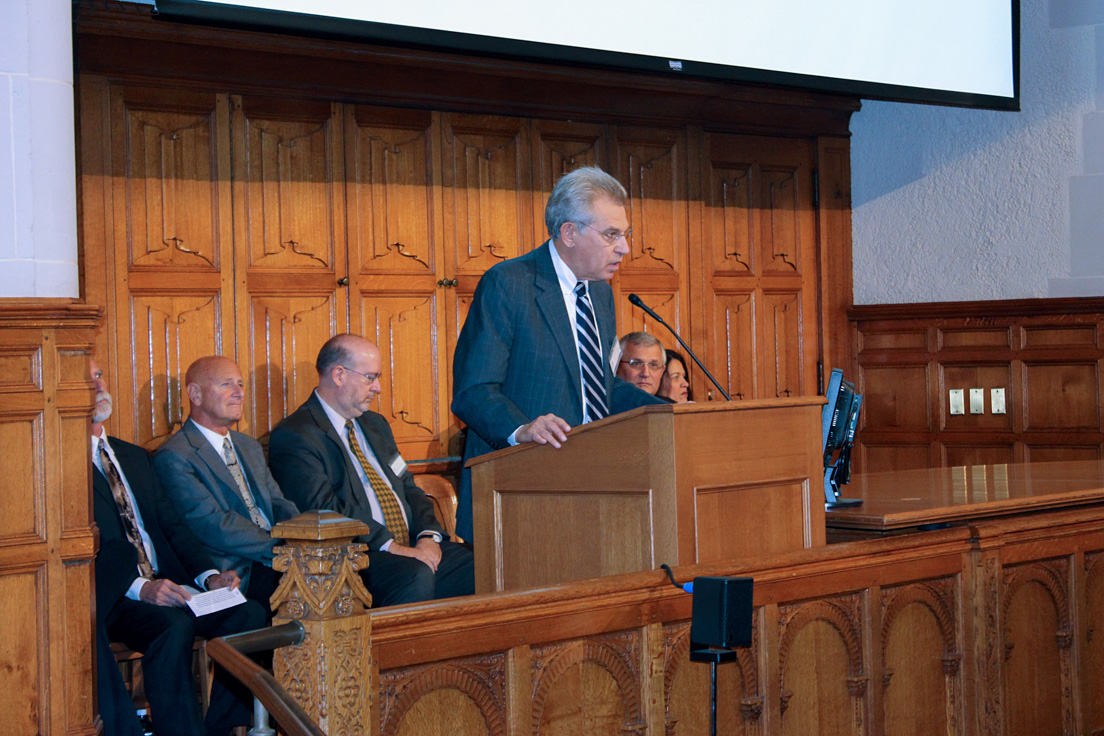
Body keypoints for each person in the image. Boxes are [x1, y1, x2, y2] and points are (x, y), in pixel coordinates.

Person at [451, 166, 664, 541]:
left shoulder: (598, 292)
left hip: (592, 489)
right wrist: (522, 429)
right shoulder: (509, 283)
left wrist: (674, 415)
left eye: (625, 234)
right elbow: (474, 389)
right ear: (569, 232)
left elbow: (599, 388)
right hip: (521, 489)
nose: (624, 248)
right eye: (611, 234)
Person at [90, 358, 265, 736]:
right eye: (86, 379)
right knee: (171, 626)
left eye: (100, 374)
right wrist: (142, 588)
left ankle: (220, 727)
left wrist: (210, 576)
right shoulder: (60, 463)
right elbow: (86, 551)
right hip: (115, 596)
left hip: (175, 585)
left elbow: (173, 527)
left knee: (248, 615)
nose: (97, 385)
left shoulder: (133, 456)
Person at [268, 334, 474, 607]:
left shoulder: (375, 425)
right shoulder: (296, 435)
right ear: (339, 375)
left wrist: (428, 536)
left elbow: (409, 486)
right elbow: (323, 509)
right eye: (370, 377)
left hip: (409, 544)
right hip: (358, 556)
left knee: (484, 564)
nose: (377, 387)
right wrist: (392, 546)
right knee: (415, 574)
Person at [154, 356, 300, 611]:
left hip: (278, 556)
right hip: (236, 571)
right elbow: (214, 524)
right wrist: (282, 552)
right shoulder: (176, 455)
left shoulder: (248, 446)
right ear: (195, 394)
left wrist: (304, 539)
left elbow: (278, 503)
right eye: (226, 384)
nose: (239, 393)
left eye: (241, 384)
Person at [615, 331, 667, 396]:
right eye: (636, 364)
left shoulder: (671, 405)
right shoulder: (602, 404)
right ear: (617, 367)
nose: (646, 374)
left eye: (653, 365)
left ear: (662, 372)